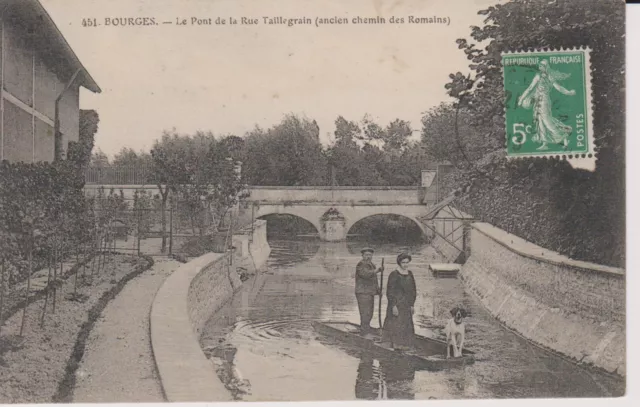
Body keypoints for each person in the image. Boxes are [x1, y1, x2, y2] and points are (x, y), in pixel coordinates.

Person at [382, 253, 417, 350]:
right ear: (399, 263)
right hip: (397, 304)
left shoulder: (410, 274)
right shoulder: (394, 274)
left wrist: (412, 305)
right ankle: (395, 345)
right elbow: (390, 291)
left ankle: (406, 345)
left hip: (406, 304)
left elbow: (413, 290)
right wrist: (393, 306)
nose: (405, 264)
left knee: (406, 324)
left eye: (407, 262)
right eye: (403, 262)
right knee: (396, 324)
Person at [355, 247, 383, 336]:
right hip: (363, 293)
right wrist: (377, 270)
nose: (368, 257)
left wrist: (378, 291)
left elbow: (373, 280)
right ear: (362, 256)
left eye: (370, 255)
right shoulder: (361, 264)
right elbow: (365, 274)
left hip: (370, 293)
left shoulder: (372, 265)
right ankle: (364, 333)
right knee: (365, 313)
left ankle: (366, 329)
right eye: (366, 255)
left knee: (369, 313)